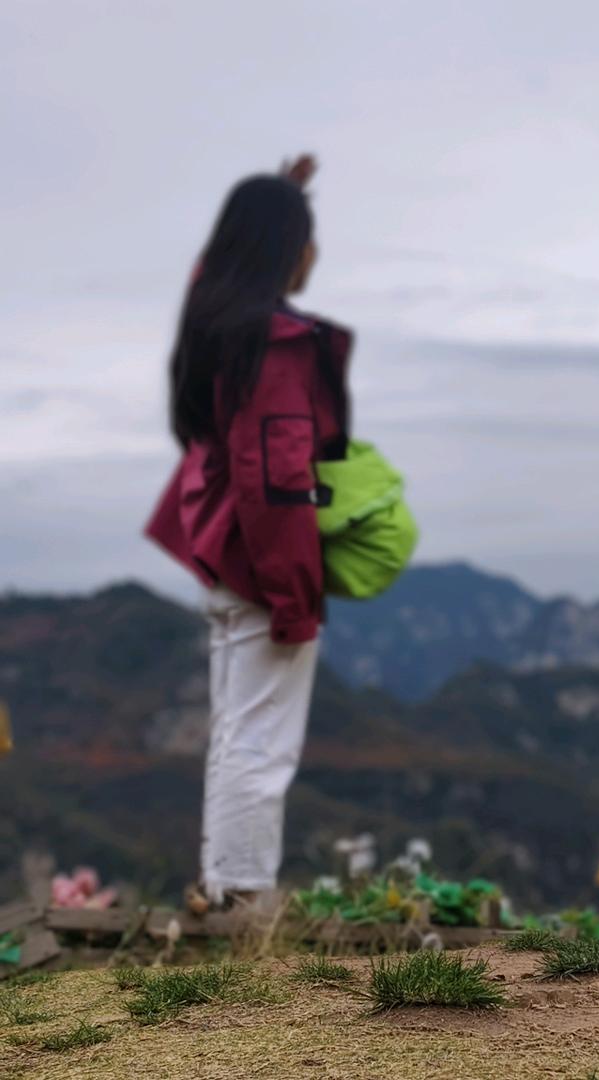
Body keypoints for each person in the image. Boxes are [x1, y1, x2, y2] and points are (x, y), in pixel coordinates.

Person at [145, 155, 352, 912]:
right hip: (263, 561)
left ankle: (223, 883)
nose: (315, 254)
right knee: (263, 738)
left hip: (224, 553)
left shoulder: (217, 332)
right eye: (307, 235)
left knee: (238, 728)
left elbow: (210, 276)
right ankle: (243, 899)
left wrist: (279, 195)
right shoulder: (275, 347)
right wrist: (299, 597)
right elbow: (281, 482)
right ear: (281, 250)